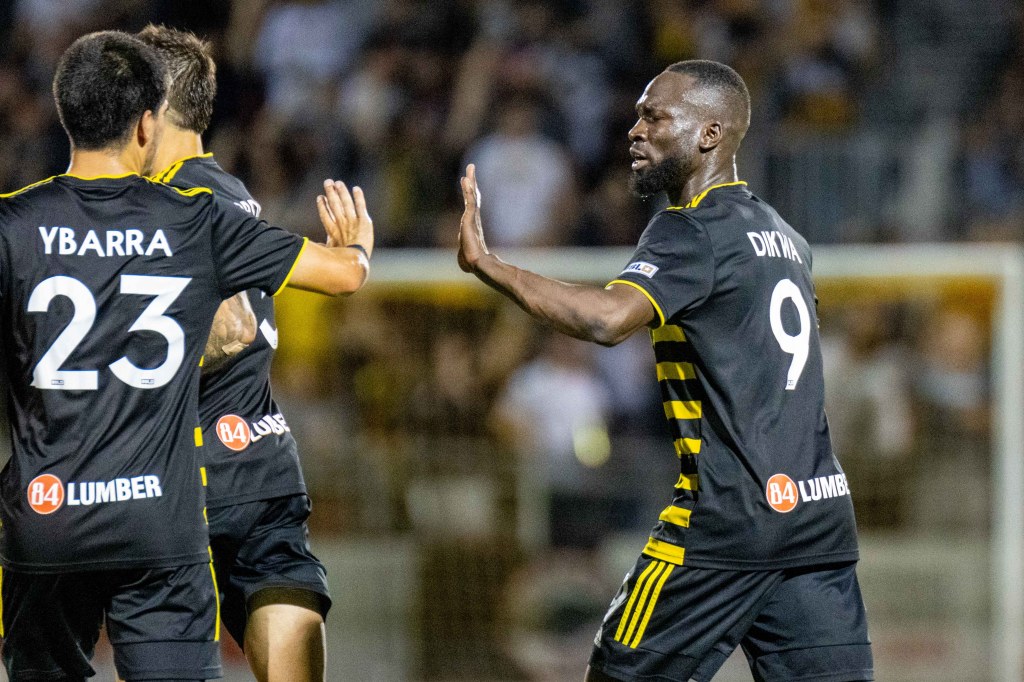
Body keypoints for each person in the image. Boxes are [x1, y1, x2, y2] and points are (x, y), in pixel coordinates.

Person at [457, 59, 873, 682]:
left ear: (709, 133)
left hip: (724, 525)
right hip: (815, 522)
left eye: (654, 116)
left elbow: (606, 319)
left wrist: (492, 265)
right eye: (636, 116)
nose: (635, 130)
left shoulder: (689, 230)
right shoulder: (787, 236)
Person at [0, 31, 373, 682]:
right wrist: (358, 252)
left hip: (89, 494)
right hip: (200, 488)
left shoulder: (26, 220)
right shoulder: (203, 210)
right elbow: (338, 277)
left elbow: (226, 328)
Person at [137, 24, 328, 681]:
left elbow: (232, 324)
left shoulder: (166, 201)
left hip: (187, 472)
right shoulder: (229, 192)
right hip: (260, 457)